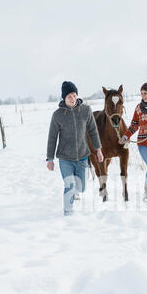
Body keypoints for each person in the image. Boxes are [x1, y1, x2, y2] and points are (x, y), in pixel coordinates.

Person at [46, 81, 104, 216]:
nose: (72, 98)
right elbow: (52, 138)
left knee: (81, 187)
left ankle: (77, 193)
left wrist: (99, 149)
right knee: (69, 186)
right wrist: (50, 158)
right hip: (65, 158)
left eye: (74, 95)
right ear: (64, 98)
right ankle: (68, 213)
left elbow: (93, 131)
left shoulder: (85, 110)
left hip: (83, 156)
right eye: (69, 96)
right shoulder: (57, 115)